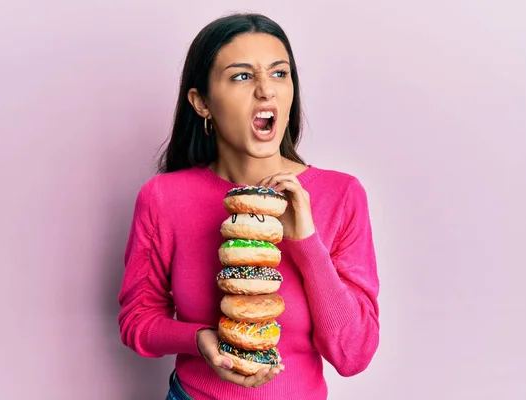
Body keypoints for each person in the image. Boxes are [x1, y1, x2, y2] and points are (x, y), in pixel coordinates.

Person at [117, 12, 380, 400]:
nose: (265, 91)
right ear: (202, 102)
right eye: (242, 76)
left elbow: (353, 355)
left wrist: (306, 242)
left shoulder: (340, 194)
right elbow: (137, 320)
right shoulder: (163, 198)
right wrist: (199, 339)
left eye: (279, 73)